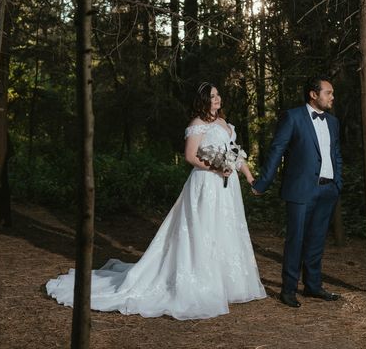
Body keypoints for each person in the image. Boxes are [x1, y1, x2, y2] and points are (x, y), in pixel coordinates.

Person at [46, 82, 266, 320]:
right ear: (202, 100)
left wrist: (250, 177)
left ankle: (226, 283)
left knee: (225, 229)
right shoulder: (197, 125)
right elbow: (190, 156)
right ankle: (202, 281)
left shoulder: (224, 123)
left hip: (227, 187)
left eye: (218, 95)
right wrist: (216, 168)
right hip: (206, 183)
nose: (217, 99)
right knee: (203, 230)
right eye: (212, 96)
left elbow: (235, 152)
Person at [252, 76, 342, 308]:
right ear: (313, 94)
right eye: (328, 92)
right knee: (296, 241)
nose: (332, 97)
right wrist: (263, 183)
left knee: (316, 241)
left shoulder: (333, 122)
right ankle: (288, 290)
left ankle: (312, 286)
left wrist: (337, 183)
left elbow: (336, 155)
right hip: (300, 190)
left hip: (327, 190)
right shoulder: (292, 117)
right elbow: (277, 150)